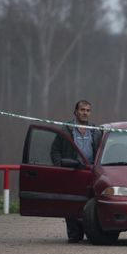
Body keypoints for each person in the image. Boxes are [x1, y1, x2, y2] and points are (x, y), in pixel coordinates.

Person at [50, 100, 103, 243]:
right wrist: (60, 168)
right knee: (72, 203)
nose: (85, 113)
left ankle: (91, 233)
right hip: (72, 171)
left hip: (91, 173)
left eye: (88, 110)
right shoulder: (66, 130)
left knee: (90, 204)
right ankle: (74, 235)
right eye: (82, 110)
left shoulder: (95, 131)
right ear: (76, 111)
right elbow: (55, 151)